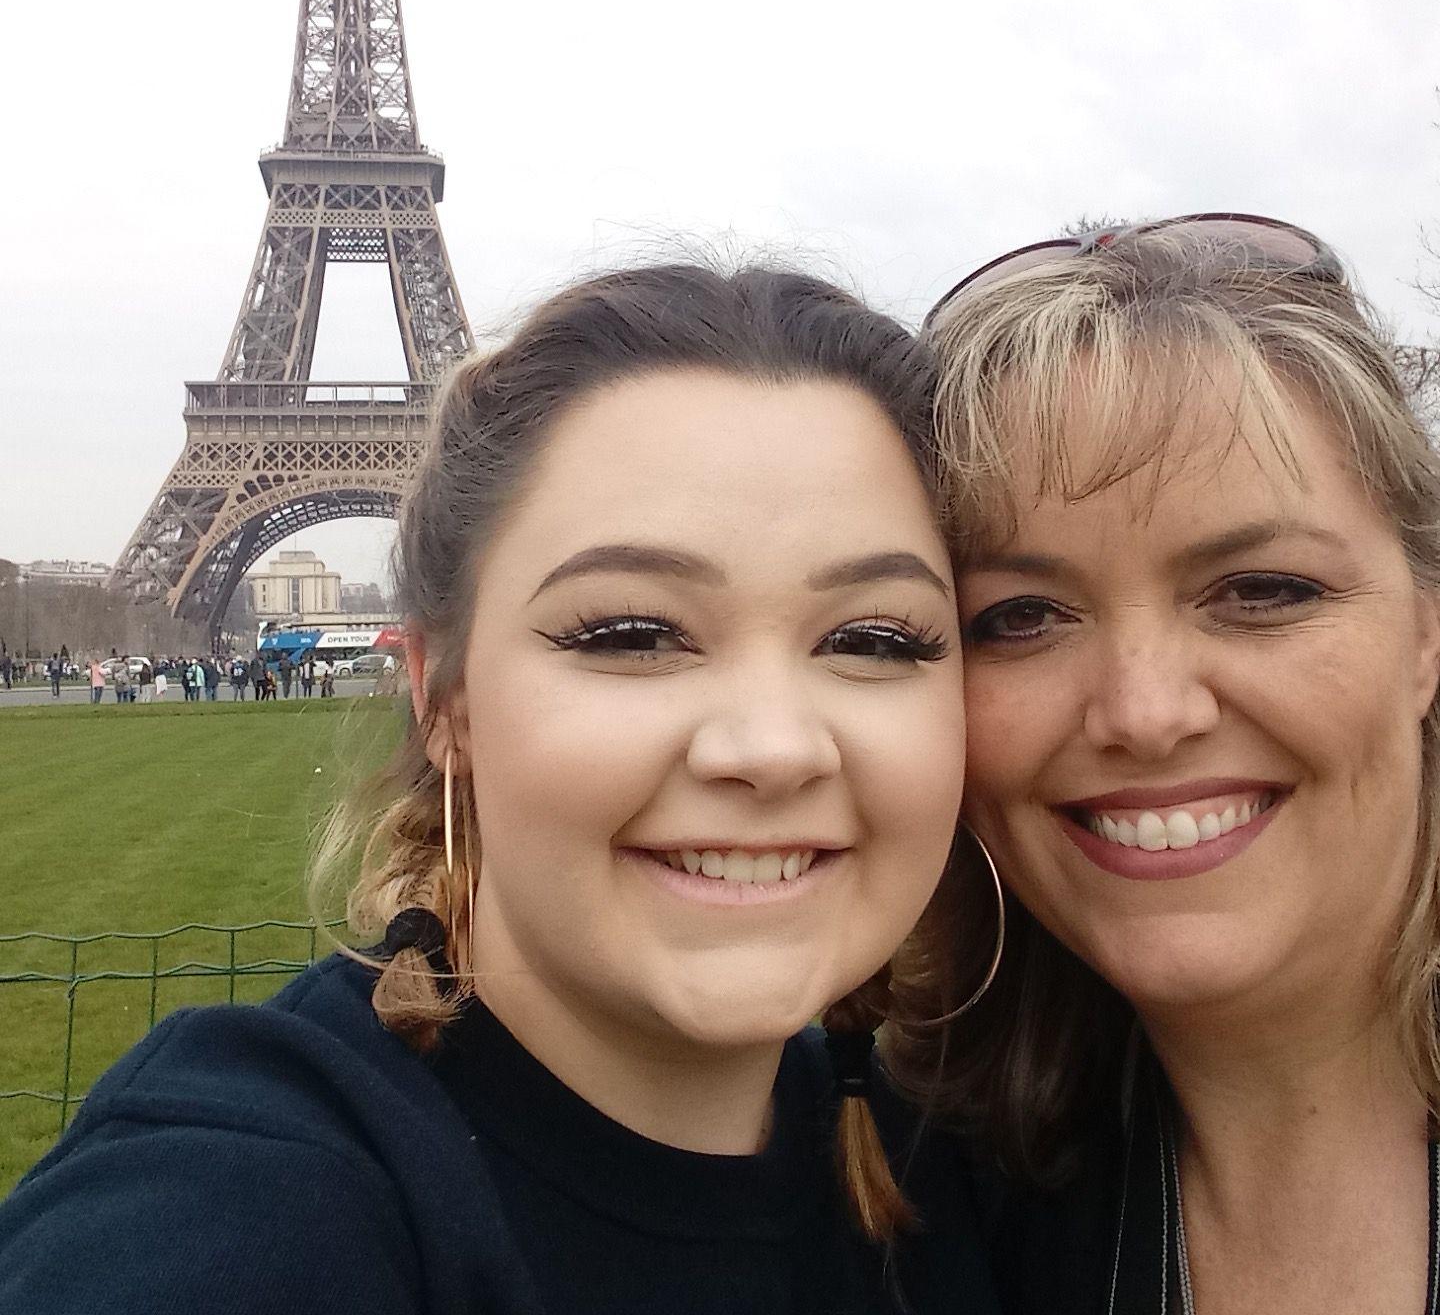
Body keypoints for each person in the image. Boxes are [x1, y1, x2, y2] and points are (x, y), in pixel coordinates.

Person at [0, 263, 997, 1314]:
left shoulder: (983, 1181)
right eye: (631, 634)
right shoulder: (240, 1206)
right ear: (444, 699)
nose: (773, 748)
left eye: (875, 639)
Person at [895, 214, 1440, 1314]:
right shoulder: (912, 1195)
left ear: (1426, 635)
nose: (1144, 715)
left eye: (1263, 591)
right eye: (1021, 615)